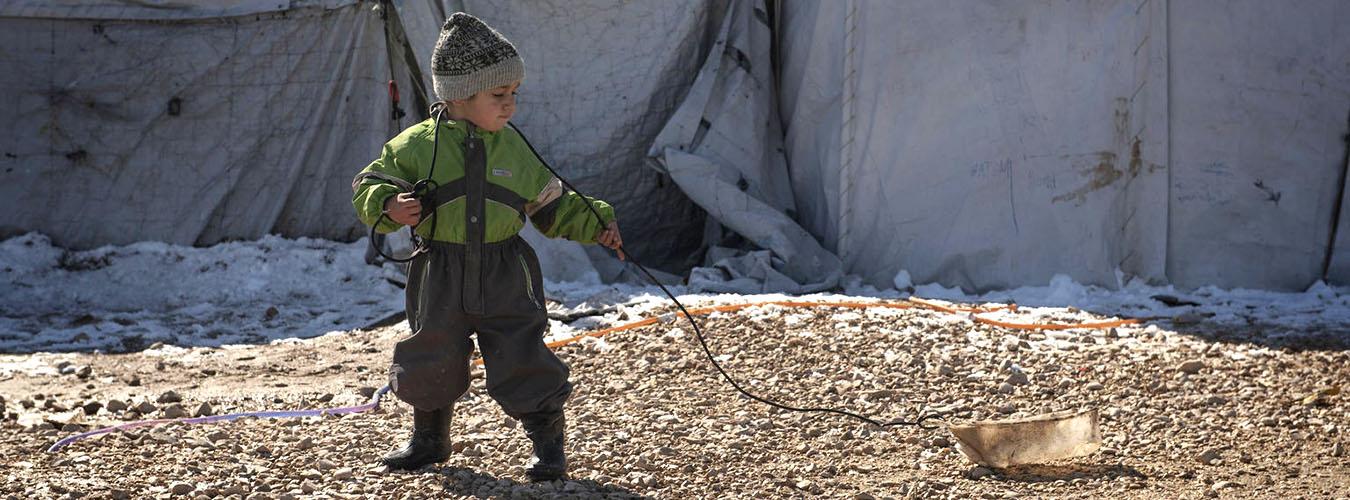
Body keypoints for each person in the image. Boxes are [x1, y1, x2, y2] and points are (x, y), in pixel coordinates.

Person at [351, 12, 623, 481]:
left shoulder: (513, 148)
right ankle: (429, 440)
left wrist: (596, 222)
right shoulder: (414, 147)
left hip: (505, 271)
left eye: (514, 93)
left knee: (522, 353)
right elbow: (368, 184)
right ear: (458, 95)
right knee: (430, 353)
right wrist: (388, 204)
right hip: (439, 271)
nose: (511, 105)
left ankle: (548, 444)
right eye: (500, 95)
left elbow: (551, 202)